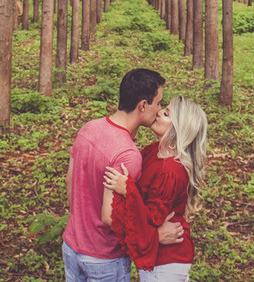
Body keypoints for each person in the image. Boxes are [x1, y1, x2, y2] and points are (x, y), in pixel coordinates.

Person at [62, 68, 185, 282]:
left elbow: (69, 181)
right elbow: (110, 217)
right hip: (104, 259)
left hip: (71, 247)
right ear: (143, 105)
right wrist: (154, 237)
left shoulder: (89, 128)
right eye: (158, 103)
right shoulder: (127, 154)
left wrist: (82, 224)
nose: (159, 110)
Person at [102, 96, 208, 282]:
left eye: (166, 114)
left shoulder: (172, 171)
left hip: (168, 259)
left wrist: (127, 189)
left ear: (178, 129)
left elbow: (152, 218)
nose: (158, 112)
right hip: (158, 254)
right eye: (163, 109)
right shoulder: (154, 151)